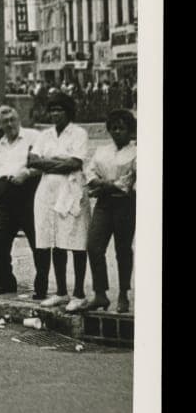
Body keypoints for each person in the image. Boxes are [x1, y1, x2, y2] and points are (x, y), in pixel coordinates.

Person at [27, 91, 91, 309]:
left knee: (76, 240)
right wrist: (56, 163)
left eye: (60, 109)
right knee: (55, 241)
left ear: (68, 111)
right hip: (47, 191)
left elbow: (74, 163)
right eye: (52, 109)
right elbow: (33, 161)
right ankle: (61, 291)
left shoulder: (79, 133)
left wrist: (49, 162)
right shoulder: (44, 136)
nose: (55, 114)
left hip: (71, 189)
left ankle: (79, 293)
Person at [83, 109, 136, 313]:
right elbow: (89, 170)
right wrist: (104, 183)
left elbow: (129, 181)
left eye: (121, 128)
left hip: (125, 204)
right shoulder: (102, 151)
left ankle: (123, 294)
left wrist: (107, 186)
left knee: (122, 250)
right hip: (104, 204)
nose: (117, 132)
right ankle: (100, 293)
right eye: (113, 128)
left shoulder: (136, 152)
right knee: (94, 246)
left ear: (129, 130)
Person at [0, 104, 40, 295]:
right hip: (6, 194)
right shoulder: (0, 144)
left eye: (12, 120)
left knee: (37, 241)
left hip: (29, 191)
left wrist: (27, 173)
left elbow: (45, 164)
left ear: (19, 120)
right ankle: (6, 281)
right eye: (5, 121)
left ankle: (41, 283)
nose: (10, 124)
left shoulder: (33, 137)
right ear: (0, 125)